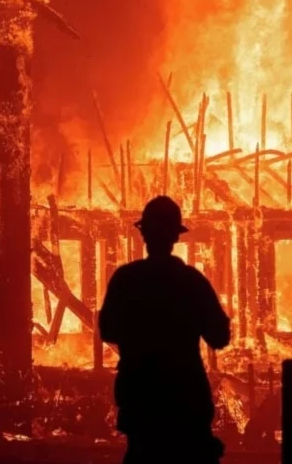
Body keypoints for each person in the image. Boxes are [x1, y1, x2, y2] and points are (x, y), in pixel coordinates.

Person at [99, 196, 231, 464]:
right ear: (176, 237)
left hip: (141, 401)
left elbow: (108, 330)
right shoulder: (192, 282)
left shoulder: (125, 280)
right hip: (185, 400)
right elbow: (219, 336)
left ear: (143, 234)